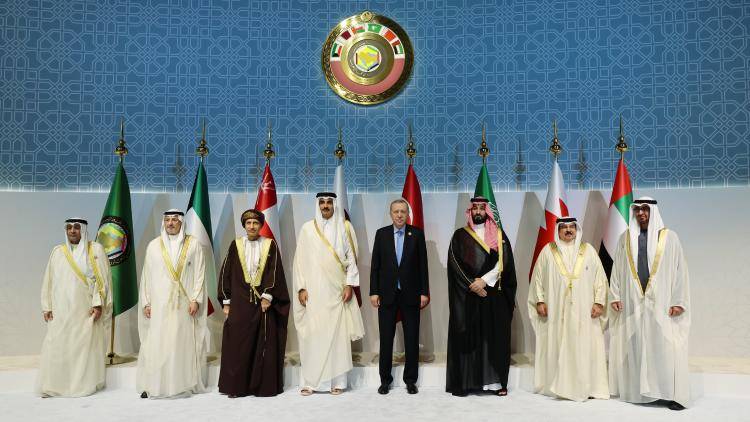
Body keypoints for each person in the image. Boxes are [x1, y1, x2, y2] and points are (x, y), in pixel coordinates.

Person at [609, 197, 691, 410]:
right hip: (634, 302)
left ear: (653, 211)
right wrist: (615, 295)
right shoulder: (625, 238)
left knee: (665, 348)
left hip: (663, 304)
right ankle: (641, 392)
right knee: (638, 346)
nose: (641, 214)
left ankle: (671, 394)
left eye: (645, 209)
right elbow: (617, 270)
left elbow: (680, 270)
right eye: (637, 210)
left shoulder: (669, 238)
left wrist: (678, 301)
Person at [528, 217, 609, 401]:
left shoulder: (588, 251)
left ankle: (587, 386)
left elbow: (600, 279)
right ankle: (556, 385)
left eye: (572, 227)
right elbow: (538, 278)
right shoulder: (548, 251)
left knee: (584, 344)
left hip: (584, 310)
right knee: (558, 342)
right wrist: (539, 301)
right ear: (558, 230)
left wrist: (598, 302)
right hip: (556, 310)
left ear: (577, 229)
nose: (568, 230)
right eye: (563, 227)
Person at [292, 193, 364, 395]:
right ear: (317, 204)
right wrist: (301, 287)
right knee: (313, 336)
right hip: (313, 291)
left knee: (336, 337)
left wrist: (350, 284)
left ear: (334, 204)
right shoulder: (307, 229)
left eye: (329, 202)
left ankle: (337, 382)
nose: (325, 205)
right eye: (322, 202)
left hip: (336, 291)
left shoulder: (345, 226)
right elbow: (299, 261)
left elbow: (351, 257)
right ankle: (312, 382)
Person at [445, 197, 517, 396]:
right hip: (469, 296)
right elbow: (454, 263)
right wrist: (473, 284)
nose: (478, 211)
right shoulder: (460, 235)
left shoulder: (500, 236)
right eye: (475, 208)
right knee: (470, 338)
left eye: (481, 208)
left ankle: (495, 383)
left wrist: (484, 281)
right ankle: (469, 382)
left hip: (493, 296)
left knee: (493, 338)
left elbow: (504, 263)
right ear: (470, 211)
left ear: (487, 211)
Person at [217, 209, 289, 397]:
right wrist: (227, 301)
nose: (252, 226)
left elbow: (275, 272)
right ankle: (237, 386)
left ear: (261, 225)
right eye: (248, 223)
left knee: (261, 344)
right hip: (240, 305)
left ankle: (260, 387)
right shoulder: (236, 245)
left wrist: (267, 296)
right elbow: (226, 273)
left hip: (262, 304)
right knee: (238, 346)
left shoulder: (269, 245)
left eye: (255, 223)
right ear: (244, 225)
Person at [137, 209, 208, 398]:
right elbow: (146, 276)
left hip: (184, 306)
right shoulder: (153, 246)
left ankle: (180, 384)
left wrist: (196, 299)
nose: (170, 223)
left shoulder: (193, 245)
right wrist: (146, 302)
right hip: (159, 306)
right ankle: (156, 385)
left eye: (174, 220)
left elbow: (200, 275)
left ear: (181, 222)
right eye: (167, 220)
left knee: (180, 343)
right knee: (158, 342)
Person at [37, 218, 112, 397]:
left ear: (83, 230)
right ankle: (55, 386)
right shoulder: (57, 252)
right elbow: (48, 280)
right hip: (61, 310)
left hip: (84, 310)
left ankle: (81, 386)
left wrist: (98, 303)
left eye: (77, 228)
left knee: (83, 348)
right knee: (57, 346)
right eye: (69, 227)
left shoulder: (95, 250)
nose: (72, 231)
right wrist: (46, 306)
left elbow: (103, 280)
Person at [370, 198, 429, 395]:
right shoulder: (382, 234)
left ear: (407, 214)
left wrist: (424, 292)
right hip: (386, 295)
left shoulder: (417, 234)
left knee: (411, 338)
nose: (400, 215)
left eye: (403, 211)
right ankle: (385, 380)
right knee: (386, 339)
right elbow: (375, 266)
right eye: (396, 211)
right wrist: (374, 291)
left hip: (411, 294)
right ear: (391, 214)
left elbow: (423, 267)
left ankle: (410, 380)